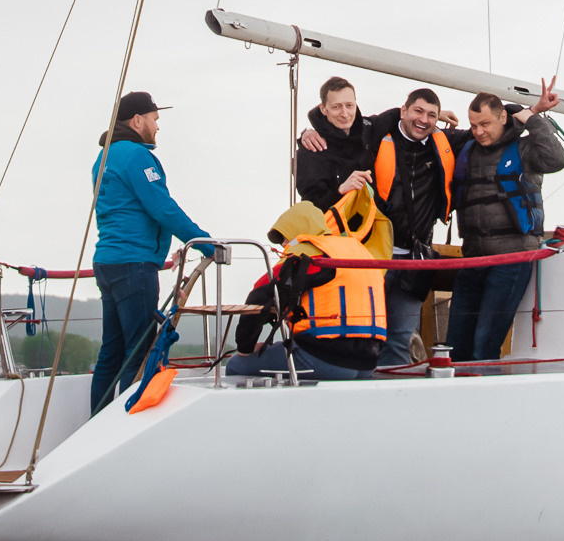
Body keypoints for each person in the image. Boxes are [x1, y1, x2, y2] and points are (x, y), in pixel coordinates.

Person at [88, 90, 215, 412]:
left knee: (112, 352)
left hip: (108, 262)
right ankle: (120, 428)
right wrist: (203, 241)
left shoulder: (103, 158)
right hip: (133, 265)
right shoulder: (136, 156)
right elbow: (162, 208)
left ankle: (95, 424)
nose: (157, 127)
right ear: (138, 120)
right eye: (155, 120)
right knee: (140, 350)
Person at [445, 80, 564, 364]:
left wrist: (532, 116)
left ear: (503, 118)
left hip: (512, 259)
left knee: (484, 346)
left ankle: (488, 404)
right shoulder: (467, 147)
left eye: (485, 124)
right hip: (473, 258)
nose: (479, 132)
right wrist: (438, 115)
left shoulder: (525, 149)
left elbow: (557, 159)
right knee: (455, 349)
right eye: (474, 125)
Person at [225, 203, 384, 382]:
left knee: (235, 365)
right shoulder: (360, 251)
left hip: (322, 359)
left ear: (299, 232)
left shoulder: (308, 255)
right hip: (368, 362)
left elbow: (258, 297)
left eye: (285, 237)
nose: (284, 244)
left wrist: (245, 349)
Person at [367, 87, 466, 368]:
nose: (423, 120)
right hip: (377, 257)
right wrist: (307, 134)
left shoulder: (444, 142)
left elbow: (491, 128)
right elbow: (341, 128)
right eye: (418, 111)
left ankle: (395, 398)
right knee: (368, 334)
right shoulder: (376, 137)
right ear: (404, 111)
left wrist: (526, 113)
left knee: (401, 337)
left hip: (415, 261)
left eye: (431, 115)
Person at [293, 76, 375, 213]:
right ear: (324, 109)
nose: (345, 114)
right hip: (333, 231)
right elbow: (310, 210)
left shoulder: (369, 130)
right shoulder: (310, 151)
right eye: (336, 107)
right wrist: (340, 190)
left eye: (349, 105)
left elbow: (402, 115)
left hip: (371, 228)